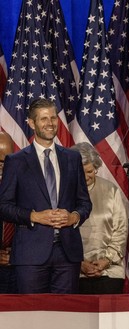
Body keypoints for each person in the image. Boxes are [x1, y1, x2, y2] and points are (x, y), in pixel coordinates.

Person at [0, 98, 92, 294]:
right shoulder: (15, 161)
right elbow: (4, 206)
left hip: (67, 254)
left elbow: (84, 203)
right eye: (43, 119)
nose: (50, 123)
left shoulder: (73, 158)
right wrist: (34, 216)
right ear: (32, 123)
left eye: (53, 118)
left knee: (66, 316)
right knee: (32, 317)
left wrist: (74, 217)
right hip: (30, 255)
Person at [71, 142, 127, 294]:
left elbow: (121, 230)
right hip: (73, 271)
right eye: (81, 172)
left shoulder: (111, 190)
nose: (86, 177)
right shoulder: (64, 192)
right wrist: (79, 263)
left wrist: (106, 261)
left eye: (90, 171)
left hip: (110, 271)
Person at [0, 132, 17, 294]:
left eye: (6, 160)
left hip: (18, 268)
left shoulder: (26, 186)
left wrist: (17, 253)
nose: (2, 165)